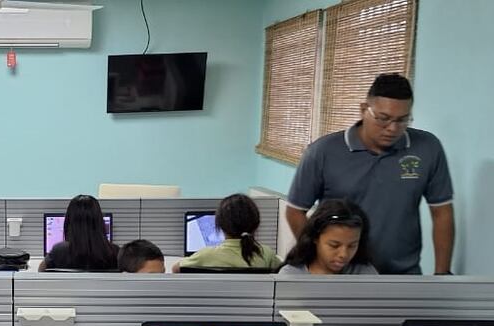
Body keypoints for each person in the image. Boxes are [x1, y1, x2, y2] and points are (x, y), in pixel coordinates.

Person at [286, 73, 454, 275]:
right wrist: (320, 262)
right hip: (344, 276)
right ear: (364, 110)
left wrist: (442, 275)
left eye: (402, 120)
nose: (392, 128)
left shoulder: (428, 148)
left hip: (403, 274)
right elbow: (295, 211)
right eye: (383, 119)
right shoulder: (323, 152)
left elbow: (442, 212)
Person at [173, 194, 283, 272]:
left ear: (220, 225)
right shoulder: (266, 254)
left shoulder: (205, 255)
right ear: (256, 225)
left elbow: (176, 269)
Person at [279, 199, 379, 275]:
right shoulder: (291, 276)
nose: (343, 254)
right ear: (315, 238)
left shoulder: (366, 274)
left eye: (352, 246)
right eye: (334, 245)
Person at [40, 195, 118, 272]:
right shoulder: (114, 252)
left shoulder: (59, 251)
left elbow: (41, 271)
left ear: (69, 221)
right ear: (99, 221)